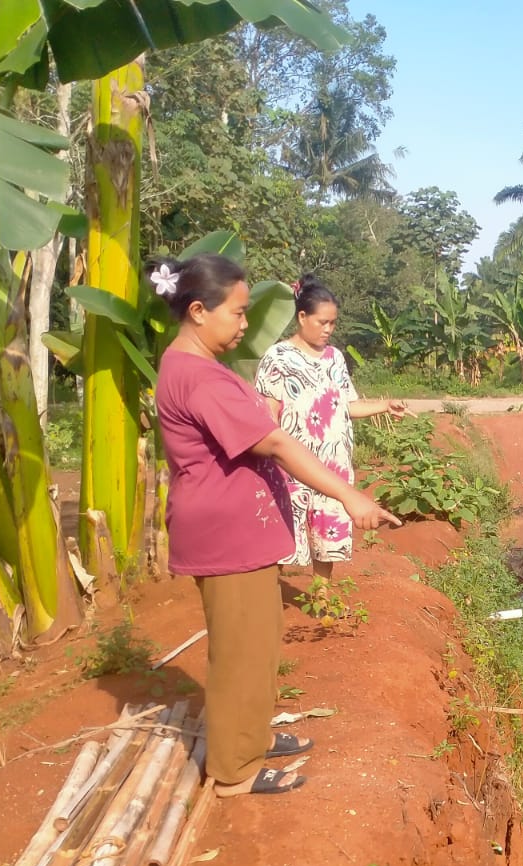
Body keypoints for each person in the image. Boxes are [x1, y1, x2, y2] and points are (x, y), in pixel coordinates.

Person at [150, 253, 401, 797]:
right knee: (240, 653)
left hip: (243, 534)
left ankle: (252, 736)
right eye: (238, 312)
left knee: (259, 644)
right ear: (197, 310)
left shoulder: (198, 366)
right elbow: (279, 442)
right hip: (224, 537)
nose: (246, 323)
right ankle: (235, 770)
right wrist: (351, 498)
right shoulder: (197, 377)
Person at [256, 274, 407, 583]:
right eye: (322, 322)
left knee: (327, 538)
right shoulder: (277, 358)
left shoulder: (335, 358)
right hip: (293, 467)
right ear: (301, 316)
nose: (328, 329)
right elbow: (267, 417)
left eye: (332, 323)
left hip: (334, 466)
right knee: (285, 535)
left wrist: (384, 406)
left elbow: (346, 406)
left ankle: (322, 597)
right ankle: (269, 593)